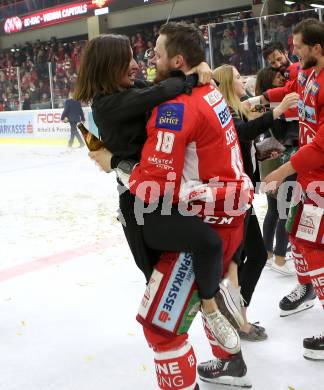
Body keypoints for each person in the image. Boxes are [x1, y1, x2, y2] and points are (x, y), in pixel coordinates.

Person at [74, 29, 248, 388]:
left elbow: (160, 94)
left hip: (161, 201)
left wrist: (196, 68)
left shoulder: (142, 93)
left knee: (163, 322)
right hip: (152, 206)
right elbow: (162, 91)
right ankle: (227, 349)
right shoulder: (109, 103)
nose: (140, 63)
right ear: (110, 67)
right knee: (177, 281)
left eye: (151, 54)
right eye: (130, 60)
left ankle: (215, 317)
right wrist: (195, 73)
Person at [129, 22, 254, 388]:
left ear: (178, 60)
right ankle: (232, 364)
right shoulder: (208, 88)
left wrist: (123, 171)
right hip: (228, 219)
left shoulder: (177, 108)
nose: (152, 58)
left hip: (202, 227)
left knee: (160, 326)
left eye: (157, 52)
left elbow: (154, 186)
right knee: (205, 291)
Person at [213, 64, 298, 340]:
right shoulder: (224, 112)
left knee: (249, 256)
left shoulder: (238, 107)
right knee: (246, 257)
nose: (244, 80)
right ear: (227, 83)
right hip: (230, 197)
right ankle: (236, 317)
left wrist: (272, 148)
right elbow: (243, 132)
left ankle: (237, 314)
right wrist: (277, 109)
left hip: (240, 194)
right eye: (238, 78)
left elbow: (247, 144)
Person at [262, 18, 324, 361]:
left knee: (313, 245)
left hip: (319, 178)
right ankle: (306, 287)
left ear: (316, 48)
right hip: (307, 176)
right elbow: (291, 93)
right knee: (296, 234)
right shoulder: (306, 72)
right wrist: (258, 97)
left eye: (298, 46)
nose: (292, 54)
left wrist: (280, 172)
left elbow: (321, 146)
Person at [255, 67, 297, 276]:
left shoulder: (261, 106)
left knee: (274, 208)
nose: (283, 79)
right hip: (279, 159)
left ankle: (269, 254)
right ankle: (280, 258)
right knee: (284, 210)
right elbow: (285, 135)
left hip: (267, 158)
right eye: (278, 77)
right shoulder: (278, 107)